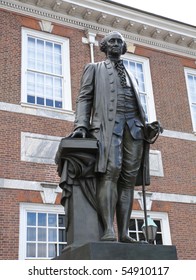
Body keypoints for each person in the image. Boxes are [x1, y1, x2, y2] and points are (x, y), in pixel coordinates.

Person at [71, 31, 150, 243]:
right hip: (107, 127)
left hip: (133, 128)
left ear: (123, 47)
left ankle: (124, 232)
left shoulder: (132, 75)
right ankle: (108, 229)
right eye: (112, 41)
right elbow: (84, 98)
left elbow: (138, 104)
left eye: (119, 41)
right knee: (110, 172)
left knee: (128, 180)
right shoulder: (94, 69)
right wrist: (81, 125)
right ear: (104, 46)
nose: (116, 44)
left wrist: (148, 125)